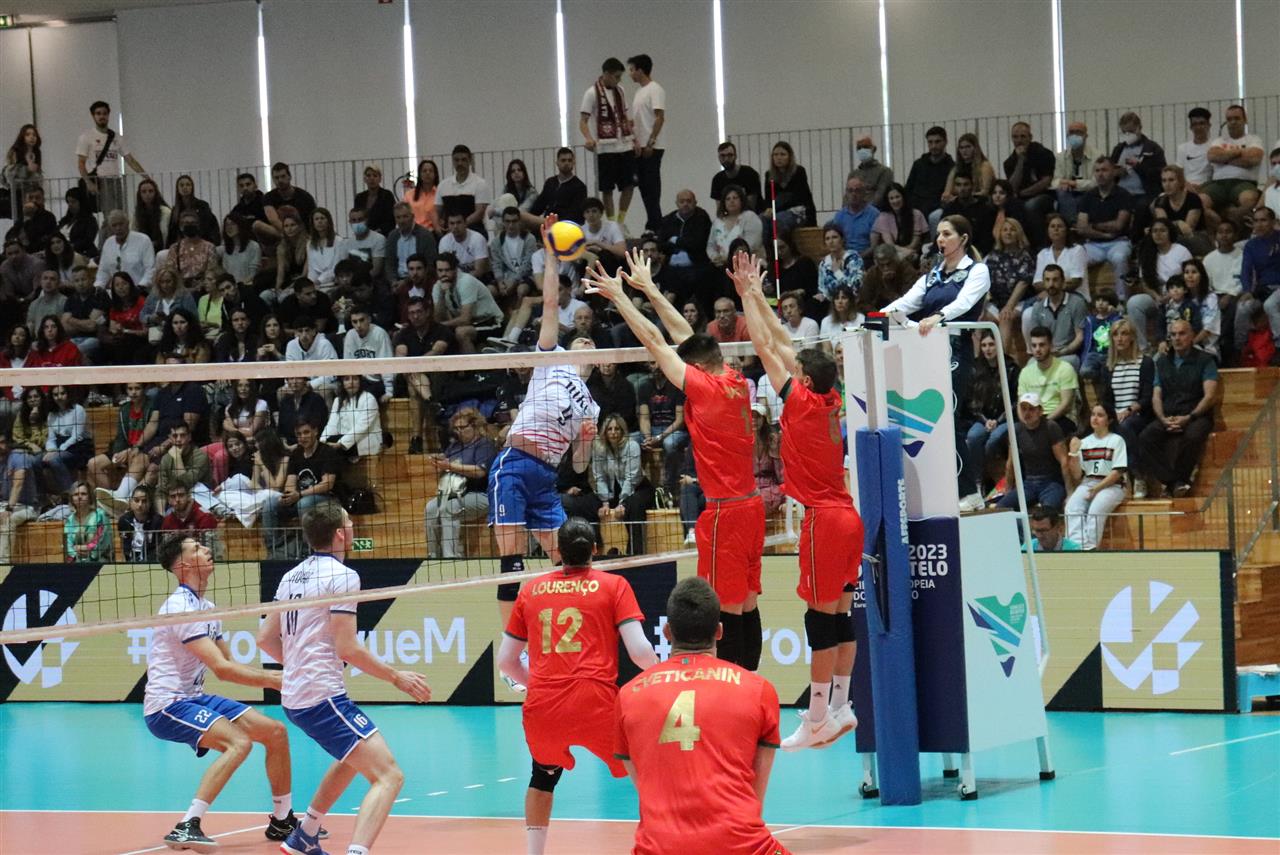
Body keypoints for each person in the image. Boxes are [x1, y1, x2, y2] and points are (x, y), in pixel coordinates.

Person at [585, 247, 764, 669]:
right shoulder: (734, 378)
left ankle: (733, 687)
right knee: (748, 601)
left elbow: (655, 342)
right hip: (751, 506)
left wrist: (621, 298)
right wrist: (649, 288)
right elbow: (686, 337)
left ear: (697, 369)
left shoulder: (705, 389)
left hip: (725, 514)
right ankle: (752, 686)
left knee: (725, 610)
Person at [731, 251, 862, 747]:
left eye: (797, 368)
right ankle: (842, 706)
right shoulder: (829, 397)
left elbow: (766, 345)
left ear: (803, 380)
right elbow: (784, 344)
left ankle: (817, 717)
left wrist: (747, 295)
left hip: (824, 521)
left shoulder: (802, 403)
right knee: (841, 615)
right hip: (848, 517)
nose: (792, 363)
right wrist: (759, 293)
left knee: (819, 620)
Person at [258, 502, 432, 855]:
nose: (353, 527)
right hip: (321, 695)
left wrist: (298, 667)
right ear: (340, 533)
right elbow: (347, 647)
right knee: (389, 776)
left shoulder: (290, 576)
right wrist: (396, 677)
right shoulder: (343, 576)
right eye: (349, 522)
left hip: (297, 695)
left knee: (352, 756)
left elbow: (264, 638)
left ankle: (305, 835)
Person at [497, 517, 657, 855]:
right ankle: (661, 844)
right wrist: (662, 677)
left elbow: (507, 662)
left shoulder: (531, 590)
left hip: (544, 708)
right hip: (596, 702)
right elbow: (640, 652)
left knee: (542, 777)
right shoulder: (614, 585)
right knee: (645, 771)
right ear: (594, 549)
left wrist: (539, 685)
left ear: (558, 552)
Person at [488, 217, 601, 677]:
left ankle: (567, 648)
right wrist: (551, 255)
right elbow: (551, 302)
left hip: (547, 479)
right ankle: (510, 660)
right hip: (515, 465)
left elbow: (580, 465)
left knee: (569, 564)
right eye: (583, 339)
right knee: (512, 563)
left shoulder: (592, 407)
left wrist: (587, 440)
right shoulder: (552, 358)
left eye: (592, 342)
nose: (586, 343)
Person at [142, 534, 296, 851]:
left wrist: (284, 673)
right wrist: (278, 680)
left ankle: (282, 820)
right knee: (238, 743)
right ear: (183, 565)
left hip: (194, 697)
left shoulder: (207, 607)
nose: (206, 549)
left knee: (275, 732)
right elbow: (222, 670)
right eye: (196, 548)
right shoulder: (180, 608)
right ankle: (187, 825)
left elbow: (228, 663)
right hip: (167, 705)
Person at [615, 576, 789, 855]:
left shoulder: (628, 694)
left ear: (667, 632)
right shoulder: (759, 690)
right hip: (741, 846)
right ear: (719, 631)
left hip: (658, 847)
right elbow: (755, 796)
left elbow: (643, 783)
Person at [881, 215, 992, 510]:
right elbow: (906, 303)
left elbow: (965, 303)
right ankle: (940, 490)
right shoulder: (932, 275)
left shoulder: (977, 271)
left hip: (956, 350)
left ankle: (970, 492)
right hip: (926, 351)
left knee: (947, 419)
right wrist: (876, 317)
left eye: (946, 234)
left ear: (963, 238)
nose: (940, 239)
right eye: (938, 234)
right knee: (929, 423)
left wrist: (939, 316)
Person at [1139, 320, 1218, 498]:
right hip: (1168, 414)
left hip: (1196, 415)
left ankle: (1178, 480)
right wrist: (1162, 418)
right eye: (1173, 334)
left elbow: (1210, 396)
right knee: (1145, 438)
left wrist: (1189, 417)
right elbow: (1156, 395)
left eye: (1182, 333)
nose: (1177, 338)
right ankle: (1174, 482)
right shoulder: (1162, 362)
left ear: (1192, 336)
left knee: (1193, 435)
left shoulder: (1205, 360)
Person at [423, 407, 494, 559]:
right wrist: (439, 460)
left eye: (462, 427)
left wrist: (450, 466)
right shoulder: (455, 445)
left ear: (474, 426)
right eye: (456, 428)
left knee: (449, 508)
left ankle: (451, 556)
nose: (459, 431)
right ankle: (433, 555)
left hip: (481, 495)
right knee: (430, 508)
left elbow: (480, 471)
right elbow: (447, 461)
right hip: (455, 493)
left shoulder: (484, 444)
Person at [1103, 318, 1154, 497]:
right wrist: (1112, 414)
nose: (1119, 338)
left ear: (1132, 337)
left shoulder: (1145, 363)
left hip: (1138, 414)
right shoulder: (1109, 366)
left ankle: (1137, 476)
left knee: (1124, 426)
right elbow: (1106, 399)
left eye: (1124, 334)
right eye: (1115, 334)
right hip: (1116, 415)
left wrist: (1129, 411)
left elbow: (1147, 396)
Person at [580, 57, 636, 223]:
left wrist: (634, 139)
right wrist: (589, 138)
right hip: (605, 148)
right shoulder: (591, 93)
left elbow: (625, 116)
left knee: (629, 185)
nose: (618, 80)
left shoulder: (620, 91)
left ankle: (621, 221)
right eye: (616, 76)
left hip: (625, 146)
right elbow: (583, 121)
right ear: (606, 74)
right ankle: (611, 222)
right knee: (607, 189)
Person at [1065, 405, 1127, 550]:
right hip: (1088, 483)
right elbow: (1077, 475)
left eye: (1100, 415)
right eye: (1093, 414)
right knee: (1071, 508)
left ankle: (1090, 549)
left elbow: (1117, 472)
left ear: (1109, 420)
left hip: (1113, 485)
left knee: (1096, 510)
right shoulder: (1084, 442)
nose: (1095, 418)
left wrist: (1097, 489)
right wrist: (1073, 453)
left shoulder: (1117, 440)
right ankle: (1076, 548)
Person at [591, 413, 654, 554]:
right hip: (613, 491)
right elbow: (599, 477)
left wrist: (622, 503)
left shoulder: (632, 446)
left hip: (639, 489)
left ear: (623, 430)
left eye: (617, 429)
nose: (613, 432)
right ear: (604, 431)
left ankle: (635, 552)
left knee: (633, 505)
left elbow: (631, 478)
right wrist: (605, 502)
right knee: (590, 504)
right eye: (610, 429)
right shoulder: (598, 448)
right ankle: (597, 550)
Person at [997, 393, 1069, 511]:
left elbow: (1064, 461)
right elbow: (1011, 463)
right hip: (1029, 483)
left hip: (1052, 482)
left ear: (1040, 411)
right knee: (1001, 508)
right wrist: (1008, 490)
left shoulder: (1051, 427)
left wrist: (1070, 492)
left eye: (1031, 409)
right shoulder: (1016, 430)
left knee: (1048, 511)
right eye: (1023, 409)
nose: (1027, 413)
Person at [76, 100, 148, 215]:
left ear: (108, 115)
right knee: (110, 214)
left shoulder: (116, 137)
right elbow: (81, 163)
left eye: (104, 113)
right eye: (98, 113)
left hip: (115, 179)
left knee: (120, 212)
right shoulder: (86, 137)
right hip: (101, 180)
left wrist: (145, 176)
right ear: (93, 116)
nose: (102, 116)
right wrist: (88, 182)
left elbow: (130, 159)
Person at [1077, 157, 1134, 296]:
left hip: (1118, 242)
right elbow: (1082, 228)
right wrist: (1104, 234)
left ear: (1113, 172)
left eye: (1104, 170)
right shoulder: (1088, 197)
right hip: (1093, 245)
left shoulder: (1124, 195)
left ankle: (1122, 300)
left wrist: (1094, 225)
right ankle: (1082, 299)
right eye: (1097, 171)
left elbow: (1118, 225)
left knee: (1120, 258)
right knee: (1076, 257)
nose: (1100, 174)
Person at [432, 252, 503, 353]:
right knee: (441, 334)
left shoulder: (465, 281)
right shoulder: (438, 286)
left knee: (461, 332)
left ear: (455, 269)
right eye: (440, 270)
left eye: (447, 270)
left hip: (491, 322)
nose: (443, 274)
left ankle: (471, 364)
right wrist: (442, 295)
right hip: (474, 324)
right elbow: (438, 318)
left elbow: (465, 319)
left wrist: (440, 326)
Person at [1201, 104, 1265, 218]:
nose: (1233, 122)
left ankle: (1233, 220)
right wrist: (1239, 152)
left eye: (1237, 118)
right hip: (1218, 184)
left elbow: (1253, 159)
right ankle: (1217, 223)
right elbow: (1212, 156)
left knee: (1249, 200)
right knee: (1200, 201)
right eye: (1229, 119)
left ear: (1245, 120)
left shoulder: (1254, 140)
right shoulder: (1219, 141)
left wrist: (1223, 159)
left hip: (1244, 183)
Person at [1017, 325, 1080, 436]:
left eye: (1042, 345)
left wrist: (1042, 423)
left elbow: (1066, 404)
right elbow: (1020, 403)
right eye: (1034, 345)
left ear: (1051, 346)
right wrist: (1026, 421)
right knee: (1014, 434)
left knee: (1047, 433)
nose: (1037, 349)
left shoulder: (1065, 368)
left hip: (1060, 417)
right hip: (1033, 418)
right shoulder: (1025, 372)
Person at [627, 54, 667, 231]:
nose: (630, 73)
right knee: (644, 188)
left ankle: (656, 225)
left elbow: (659, 117)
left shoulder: (655, 89)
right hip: (640, 146)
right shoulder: (639, 92)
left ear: (640, 70)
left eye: (632, 70)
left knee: (651, 188)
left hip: (652, 147)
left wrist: (651, 142)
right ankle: (653, 222)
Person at [1024, 265, 1088, 372]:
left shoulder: (1077, 303)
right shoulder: (1037, 307)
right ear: (1043, 283)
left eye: (1055, 280)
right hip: (1045, 354)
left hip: (1068, 355)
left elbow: (1080, 337)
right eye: (1047, 280)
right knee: (1029, 367)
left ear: (1063, 282)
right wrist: (1045, 353)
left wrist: (1062, 352)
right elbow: (1035, 338)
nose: (1051, 284)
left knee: (1063, 366)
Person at [1002, 122, 1056, 244]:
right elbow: (1012, 187)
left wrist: (1022, 193)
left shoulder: (1043, 154)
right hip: (1020, 197)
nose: (1019, 140)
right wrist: (1020, 161)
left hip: (1044, 196)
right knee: (1009, 206)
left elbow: (1046, 181)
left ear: (1030, 137)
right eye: (1015, 137)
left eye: (1023, 136)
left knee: (1031, 206)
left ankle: (1040, 245)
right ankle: (1019, 244)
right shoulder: (1009, 162)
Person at [985, 218, 1035, 348]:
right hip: (996, 302)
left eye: (1012, 230)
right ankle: (977, 358)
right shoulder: (992, 256)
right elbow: (983, 282)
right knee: (979, 316)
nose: (1008, 233)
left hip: (1019, 302)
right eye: (1005, 230)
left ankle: (1003, 358)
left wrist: (1009, 306)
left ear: (1018, 233)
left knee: (1005, 317)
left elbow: (1023, 283)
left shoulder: (1025, 256)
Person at [1237, 207, 1280, 354]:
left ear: (1273, 222)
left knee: (1270, 305)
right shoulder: (1251, 245)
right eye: (1256, 221)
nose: (1259, 225)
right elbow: (1246, 270)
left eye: (1263, 220)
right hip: (1263, 290)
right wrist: (1247, 290)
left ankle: (1279, 347)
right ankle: (1240, 349)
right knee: (1243, 308)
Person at [1152, 165, 1211, 256]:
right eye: (1164, 181)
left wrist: (1170, 226)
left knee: (1171, 241)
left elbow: (1187, 229)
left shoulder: (1193, 199)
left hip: (1196, 237)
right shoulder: (1160, 201)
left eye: (1171, 180)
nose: (1167, 184)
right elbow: (1163, 226)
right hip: (1172, 238)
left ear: (1180, 182)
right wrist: (1177, 223)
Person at [524, 147, 588, 230]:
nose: (566, 163)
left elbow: (576, 214)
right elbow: (539, 205)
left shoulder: (579, 187)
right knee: (522, 217)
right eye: (563, 160)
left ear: (573, 163)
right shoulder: (550, 182)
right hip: (547, 222)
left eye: (569, 160)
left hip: (566, 226)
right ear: (557, 163)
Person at [904, 125, 954, 228]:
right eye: (930, 142)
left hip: (937, 207)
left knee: (934, 217)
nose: (933, 146)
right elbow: (908, 189)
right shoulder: (918, 164)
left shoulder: (952, 167)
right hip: (916, 206)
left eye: (937, 142)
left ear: (945, 142)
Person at [0, 432, 38, 565]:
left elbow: (18, 484)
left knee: (7, 520)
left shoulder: (19, 457)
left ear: (8, 443)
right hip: (4, 503)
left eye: (2, 442)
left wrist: (9, 509)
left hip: (27, 506)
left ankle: (3, 564)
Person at [437, 144, 493, 235]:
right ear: (452, 161)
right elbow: (437, 212)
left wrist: (458, 226)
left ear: (470, 161)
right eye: (456, 160)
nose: (460, 163)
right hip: (449, 233)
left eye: (463, 160)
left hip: (474, 232)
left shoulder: (480, 184)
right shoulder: (443, 185)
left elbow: (479, 213)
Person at [763, 141, 816, 234]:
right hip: (777, 211)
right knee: (761, 220)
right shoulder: (769, 174)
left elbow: (800, 197)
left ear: (790, 157)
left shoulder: (799, 171)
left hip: (797, 211)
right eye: (775, 155)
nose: (779, 158)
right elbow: (768, 198)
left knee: (779, 220)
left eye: (783, 154)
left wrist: (776, 207)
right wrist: (768, 208)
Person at [95, 209, 156, 290]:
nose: (118, 228)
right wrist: (98, 286)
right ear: (110, 228)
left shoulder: (143, 240)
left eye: (121, 224)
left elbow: (150, 269)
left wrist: (141, 287)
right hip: (117, 292)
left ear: (128, 223)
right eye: (114, 225)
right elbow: (103, 271)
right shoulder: (108, 243)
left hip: (140, 290)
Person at [706, 185, 764, 268]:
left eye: (735, 198)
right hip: (722, 266)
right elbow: (710, 245)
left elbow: (752, 244)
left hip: (748, 265)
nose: (731, 201)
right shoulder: (717, 221)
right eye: (728, 199)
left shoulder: (750, 217)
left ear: (741, 200)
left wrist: (729, 258)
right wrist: (715, 257)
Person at [870, 182, 927, 264]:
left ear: (903, 197)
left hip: (913, 251)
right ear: (888, 200)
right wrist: (904, 251)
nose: (895, 201)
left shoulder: (916, 214)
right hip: (890, 252)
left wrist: (908, 251)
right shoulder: (883, 217)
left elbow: (916, 241)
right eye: (891, 198)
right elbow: (889, 244)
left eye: (897, 197)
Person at [1054, 121, 1099, 223]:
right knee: (1062, 194)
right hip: (1067, 193)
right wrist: (1062, 183)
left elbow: (1096, 183)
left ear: (1086, 136)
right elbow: (1055, 181)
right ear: (1067, 136)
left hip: (1089, 192)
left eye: (1079, 132)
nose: (1074, 135)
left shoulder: (1097, 156)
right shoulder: (1060, 157)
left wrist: (1074, 183)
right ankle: (1071, 226)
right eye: (1071, 132)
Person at [831, 176, 879, 260]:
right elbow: (836, 243)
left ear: (864, 193)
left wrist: (857, 258)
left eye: (857, 190)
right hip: (844, 258)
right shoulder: (839, 216)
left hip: (867, 258)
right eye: (850, 191)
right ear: (846, 194)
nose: (853, 194)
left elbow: (874, 246)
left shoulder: (874, 214)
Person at [816, 224, 864, 308]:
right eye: (827, 239)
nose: (831, 241)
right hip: (831, 303)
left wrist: (837, 272)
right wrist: (822, 295)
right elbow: (822, 288)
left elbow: (854, 288)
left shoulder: (853, 258)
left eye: (834, 237)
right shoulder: (824, 263)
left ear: (842, 239)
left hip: (852, 302)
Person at [65, 480, 113, 562]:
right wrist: (74, 554)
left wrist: (88, 549)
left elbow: (103, 540)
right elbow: (68, 543)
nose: (79, 497)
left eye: (83, 494)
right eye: (76, 494)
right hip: (76, 562)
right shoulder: (69, 520)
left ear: (90, 496)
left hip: (99, 561)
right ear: (72, 498)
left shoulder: (100, 515)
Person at [3, 123, 42, 221]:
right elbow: (9, 173)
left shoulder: (36, 152)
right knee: (21, 219)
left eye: (34, 135)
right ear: (22, 137)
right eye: (28, 134)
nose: (32, 137)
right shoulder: (15, 151)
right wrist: (27, 169)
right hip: (18, 192)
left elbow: (37, 173)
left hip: (32, 193)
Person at [711, 141, 763, 212]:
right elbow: (720, 209)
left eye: (730, 155)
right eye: (722, 156)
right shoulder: (717, 179)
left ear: (735, 156)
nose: (726, 159)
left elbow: (751, 205)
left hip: (753, 215)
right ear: (719, 157)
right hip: (730, 216)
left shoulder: (750, 174)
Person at [117, 484, 163, 562]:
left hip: (152, 562)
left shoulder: (158, 521)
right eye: (136, 500)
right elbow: (123, 546)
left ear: (150, 503)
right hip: (130, 563)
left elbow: (159, 548)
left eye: (144, 501)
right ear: (131, 502)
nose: (140, 504)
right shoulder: (124, 520)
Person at [353, 164, 397, 236]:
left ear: (380, 179)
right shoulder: (359, 198)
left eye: (375, 175)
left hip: (384, 235)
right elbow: (356, 218)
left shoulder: (387, 195)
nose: (372, 178)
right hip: (363, 234)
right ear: (364, 179)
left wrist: (376, 232)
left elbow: (391, 220)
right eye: (368, 175)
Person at [851, 134, 894, 207]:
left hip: (876, 211)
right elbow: (847, 197)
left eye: (865, 147)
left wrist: (865, 211)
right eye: (859, 148)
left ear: (874, 149)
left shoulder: (885, 172)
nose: (862, 150)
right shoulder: (853, 174)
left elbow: (880, 196)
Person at [401, 158, 440, 232]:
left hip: (433, 232)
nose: (427, 173)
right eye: (424, 171)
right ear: (420, 174)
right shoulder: (409, 195)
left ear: (435, 174)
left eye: (431, 171)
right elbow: (403, 214)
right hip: (413, 231)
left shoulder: (440, 193)